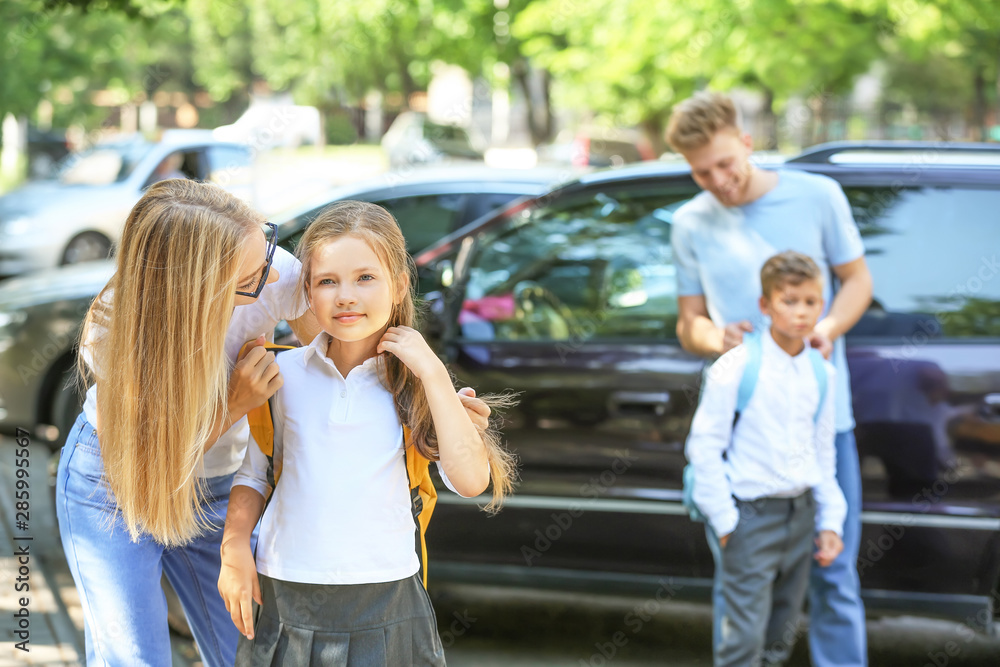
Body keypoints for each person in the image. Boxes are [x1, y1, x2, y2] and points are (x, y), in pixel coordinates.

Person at [55, 180, 491, 666]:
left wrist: (434, 403)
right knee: (133, 656)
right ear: (203, 287)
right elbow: (156, 456)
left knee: (239, 651)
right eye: (252, 275)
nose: (274, 273)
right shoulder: (113, 333)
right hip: (118, 482)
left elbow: (339, 357)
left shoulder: (276, 271)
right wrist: (235, 405)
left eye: (266, 251)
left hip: (217, 486)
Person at [217, 200, 517, 666]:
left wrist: (435, 376)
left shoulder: (419, 383)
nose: (346, 296)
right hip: (285, 596)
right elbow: (256, 475)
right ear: (307, 294)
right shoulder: (281, 373)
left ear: (398, 286)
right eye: (327, 282)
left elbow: (471, 480)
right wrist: (233, 546)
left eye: (365, 278)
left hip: (388, 599)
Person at [667, 91, 872, 667]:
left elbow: (857, 282)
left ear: (748, 144)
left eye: (727, 164)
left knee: (833, 572)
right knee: (747, 591)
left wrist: (825, 327)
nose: (719, 180)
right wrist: (717, 338)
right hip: (744, 437)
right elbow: (690, 323)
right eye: (702, 172)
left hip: (821, 425)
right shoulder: (690, 222)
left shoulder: (818, 195)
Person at [686, 251, 847, 666]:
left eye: (811, 302)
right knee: (742, 638)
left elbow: (823, 452)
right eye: (789, 301)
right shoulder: (736, 366)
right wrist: (726, 523)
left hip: (802, 512)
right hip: (750, 516)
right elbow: (704, 446)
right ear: (766, 305)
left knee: (781, 632)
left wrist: (830, 521)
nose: (801, 312)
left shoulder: (822, 373)